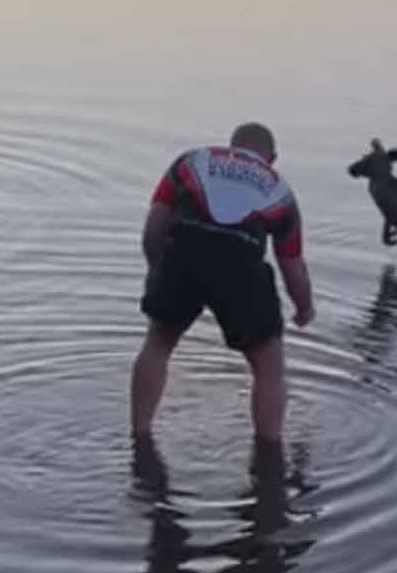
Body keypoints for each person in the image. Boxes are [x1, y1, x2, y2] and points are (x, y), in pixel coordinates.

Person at [131, 123, 315, 441]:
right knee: (268, 365)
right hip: (241, 265)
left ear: (231, 146)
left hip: (184, 254)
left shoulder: (190, 162)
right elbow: (292, 265)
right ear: (272, 158)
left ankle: (139, 434)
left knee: (158, 344)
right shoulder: (279, 191)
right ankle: (269, 450)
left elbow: (153, 229)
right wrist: (304, 307)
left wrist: (157, 273)